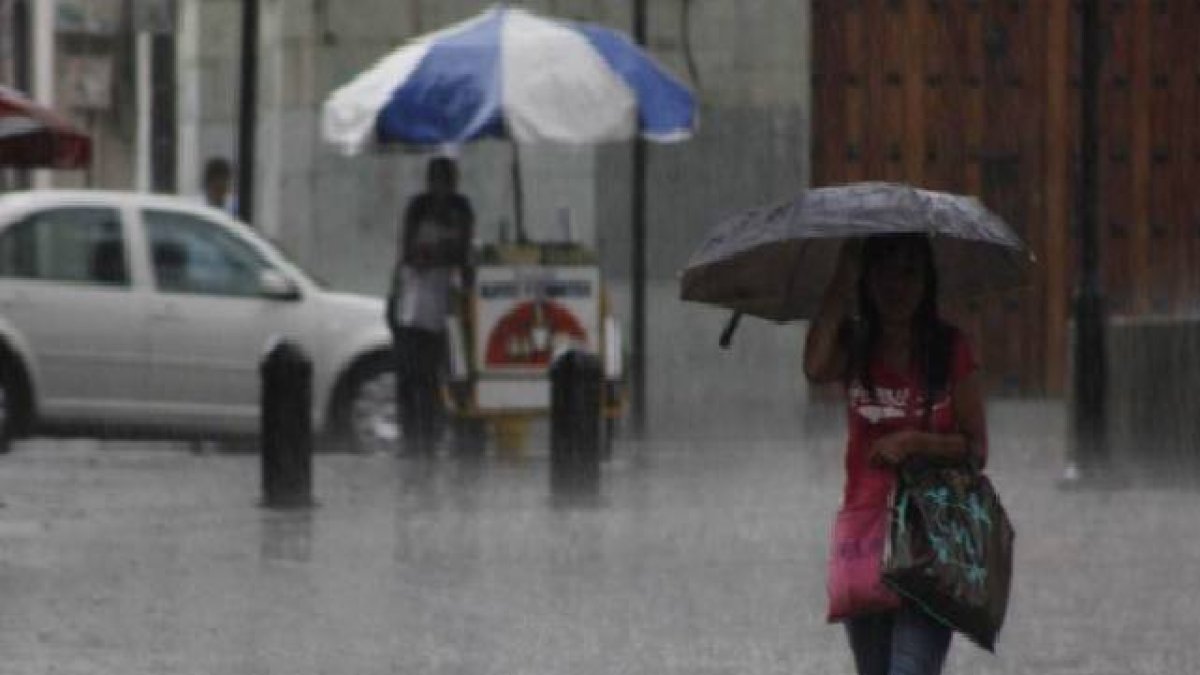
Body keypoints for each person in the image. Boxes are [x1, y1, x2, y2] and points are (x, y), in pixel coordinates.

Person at [803, 234, 989, 675]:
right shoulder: (854, 344)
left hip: (931, 543)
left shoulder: (949, 350)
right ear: (867, 279)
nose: (897, 285)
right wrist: (841, 277)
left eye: (910, 272)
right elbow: (814, 368)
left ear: (928, 281)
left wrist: (916, 442)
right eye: (884, 271)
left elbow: (976, 449)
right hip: (865, 540)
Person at [386, 157, 474, 456]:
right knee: (411, 372)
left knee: (437, 372)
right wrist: (430, 253)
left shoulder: (460, 209)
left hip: (443, 304)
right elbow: (410, 252)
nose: (440, 188)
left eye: (445, 182)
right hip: (412, 304)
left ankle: (434, 432)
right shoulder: (418, 207)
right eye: (435, 181)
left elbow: (461, 253)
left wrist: (437, 253)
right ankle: (412, 435)